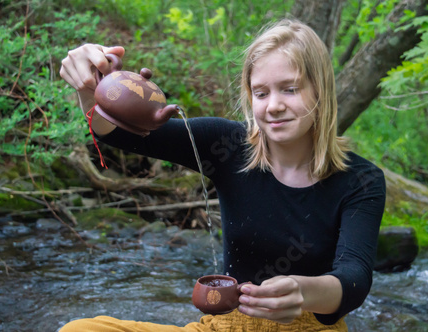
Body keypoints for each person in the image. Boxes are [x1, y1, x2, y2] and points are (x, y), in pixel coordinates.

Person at [59, 19, 386, 332]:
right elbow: (116, 133)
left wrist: (304, 292)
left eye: (290, 89)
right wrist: (90, 85)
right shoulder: (227, 145)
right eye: (261, 93)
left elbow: (354, 278)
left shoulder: (360, 180)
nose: (273, 106)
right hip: (223, 326)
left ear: (321, 91)